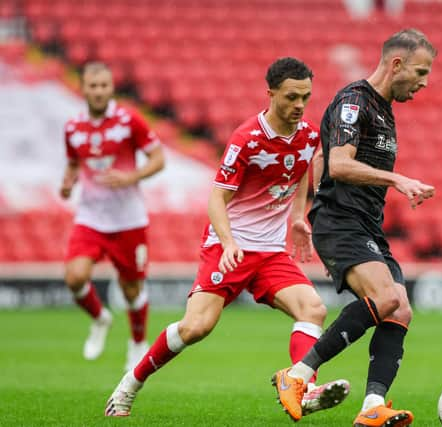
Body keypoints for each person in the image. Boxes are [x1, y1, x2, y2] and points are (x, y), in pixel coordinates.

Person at [105, 57, 349, 418]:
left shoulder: (309, 135)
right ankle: (130, 384)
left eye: (305, 97)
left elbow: (300, 171)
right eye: (291, 97)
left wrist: (298, 217)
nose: (299, 105)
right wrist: (229, 242)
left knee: (313, 308)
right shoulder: (246, 139)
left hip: (269, 252)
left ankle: (302, 387)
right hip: (228, 246)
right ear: (270, 94)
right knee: (196, 327)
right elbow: (216, 198)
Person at [272, 29, 437, 427]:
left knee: (400, 309)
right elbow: (339, 164)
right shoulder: (354, 101)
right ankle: (296, 376)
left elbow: (316, 155)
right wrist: (396, 179)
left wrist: (299, 211)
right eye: (420, 71)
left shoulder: (383, 110)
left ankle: (371, 408)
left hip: (367, 226)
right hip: (340, 222)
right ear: (396, 64)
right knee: (385, 298)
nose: (424, 81)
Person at [61, 62, 165, 370]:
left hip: (128, 220)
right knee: (75, 277)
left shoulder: (129, 120)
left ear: (111, 88)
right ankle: (100, 318)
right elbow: (72, 163)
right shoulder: (73, 127)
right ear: (83, 88)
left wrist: (131, 177)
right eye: (93, 86)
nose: (98, 91)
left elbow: (158, 159)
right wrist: (67, 182)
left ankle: (137, 343)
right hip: (90, 218)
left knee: (132, 289)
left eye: (104, 85)